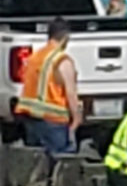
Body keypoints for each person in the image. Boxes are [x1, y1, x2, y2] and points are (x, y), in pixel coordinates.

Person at [14, 18, 81, 154]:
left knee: (36, 166)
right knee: (59, 166)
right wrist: (77, 119)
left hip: (31, 119)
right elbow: (70, 94)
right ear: (66, 37)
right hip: (54, 122)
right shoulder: (62, 60)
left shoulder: (34, 57)